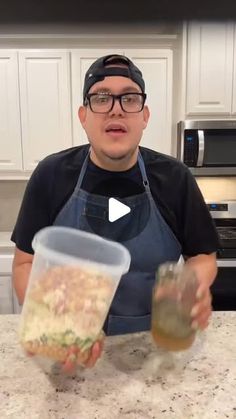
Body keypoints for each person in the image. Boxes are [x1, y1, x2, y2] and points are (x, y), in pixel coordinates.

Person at [12, 54, 219, 369]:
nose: (116, 108)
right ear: (84, 115)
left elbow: (203, 257)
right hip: (72, 350)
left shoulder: (174, 178)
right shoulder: (52, 174)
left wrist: (191, 288)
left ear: (144, 115)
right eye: (101, 97)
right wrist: (53, 320)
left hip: (155, 354)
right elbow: (25, 264)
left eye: (130, 98)